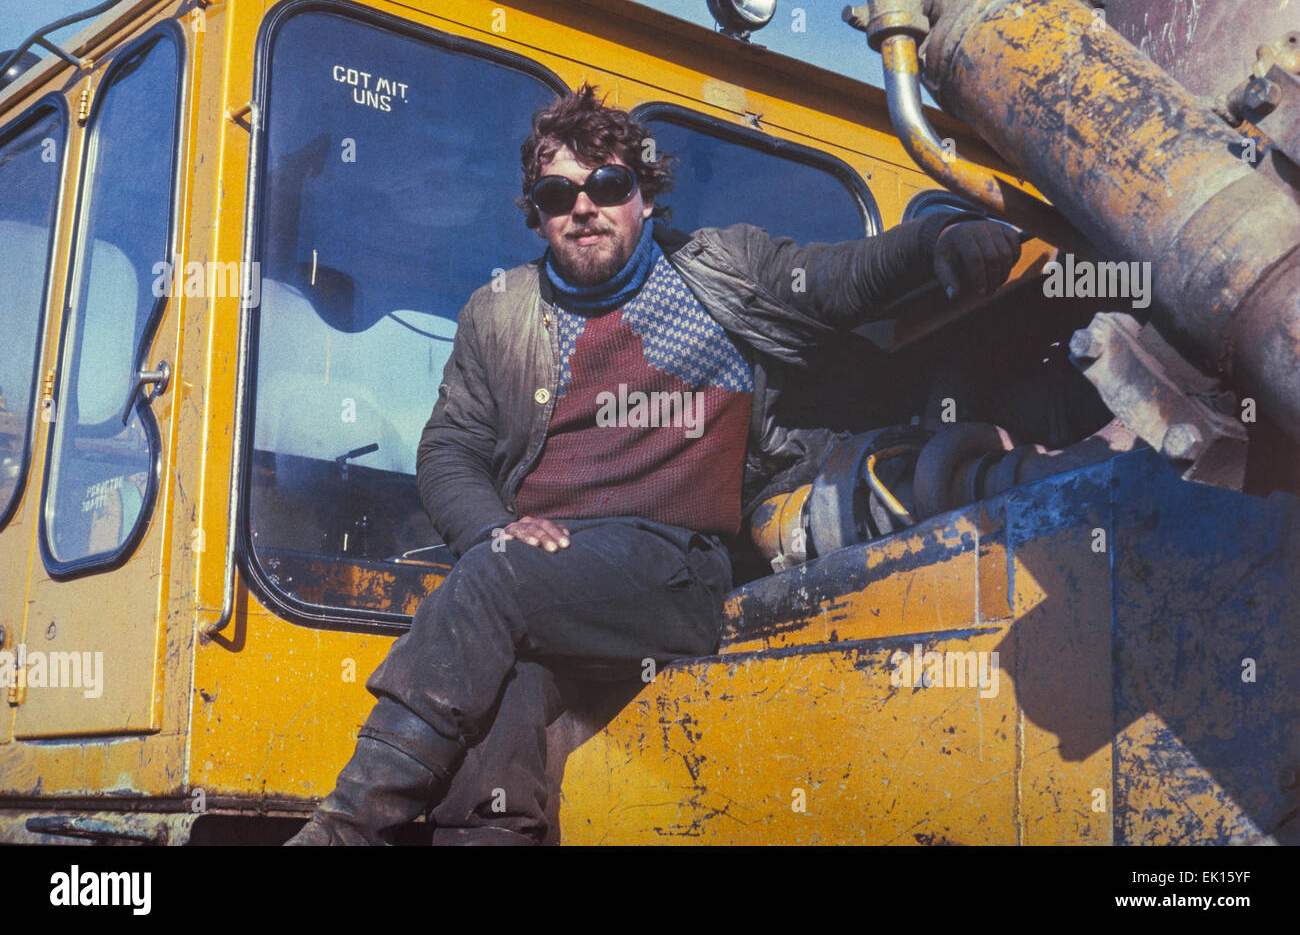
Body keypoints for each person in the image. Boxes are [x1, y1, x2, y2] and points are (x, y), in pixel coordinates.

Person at [287, 84, 1020, 845]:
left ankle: (343, 831)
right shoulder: (499, 312)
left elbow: (839, 278)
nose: (584, 206)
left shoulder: (722, 270)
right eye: (556, 192)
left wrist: (937, 245)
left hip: (673, 567)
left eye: (608, 185)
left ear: (643, 195)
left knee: (497, 585)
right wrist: (493, 527)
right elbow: (450, 448)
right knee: (505, 682)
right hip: (548, 576)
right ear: (534, 213)